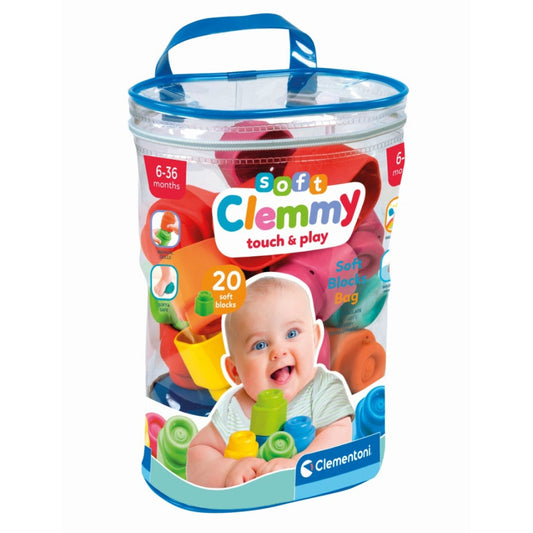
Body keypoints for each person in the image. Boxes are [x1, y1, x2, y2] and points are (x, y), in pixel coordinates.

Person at [186, 273, 354, 488]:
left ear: (315, 338)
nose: (278, 351)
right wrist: (229, 470)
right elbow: (197, 454)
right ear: (235, 371)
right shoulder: (233, 410)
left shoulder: (323, 389)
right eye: (260, 345)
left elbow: (340, 434)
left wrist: (298, 465)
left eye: (292, 333)